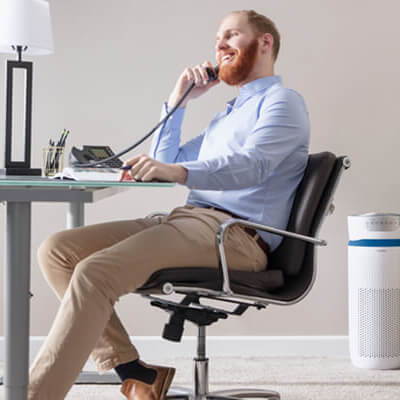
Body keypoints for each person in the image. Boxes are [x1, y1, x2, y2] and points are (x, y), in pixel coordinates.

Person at [28, 9, 310, 400]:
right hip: (189, 221)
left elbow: (252, 167)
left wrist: (177, 171)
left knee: (95, 272)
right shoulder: (229, 114)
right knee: (58, 250)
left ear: (264, 42)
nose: (220, 45)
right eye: (217, 39)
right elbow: (164, 157)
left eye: (232, 35)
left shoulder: (282, 102)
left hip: (234, 236)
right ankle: (134, 372)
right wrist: (180, 99)